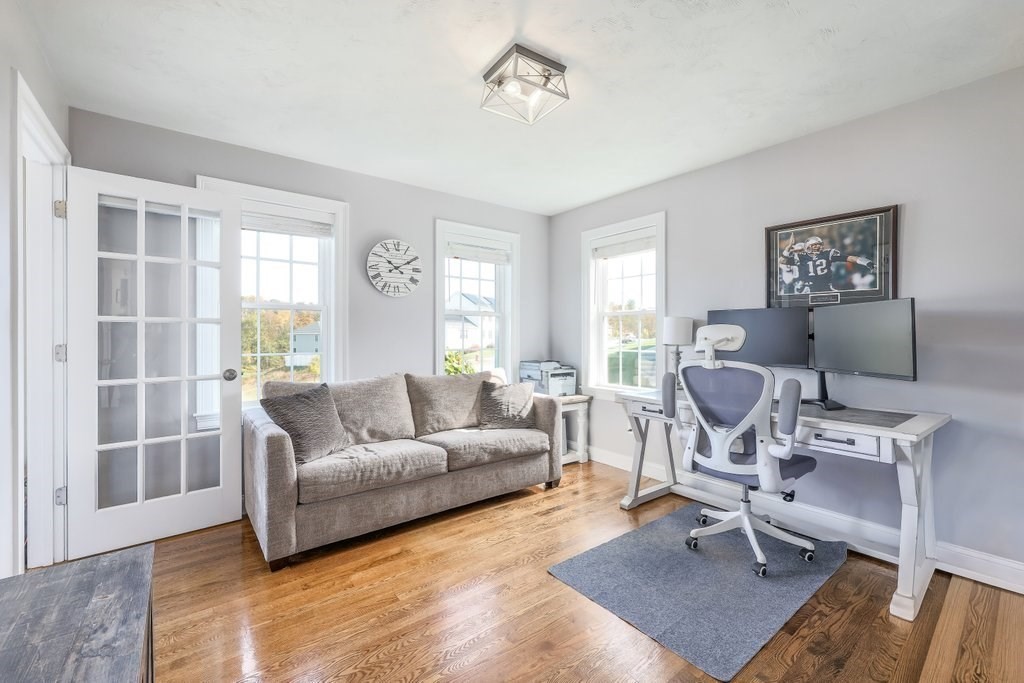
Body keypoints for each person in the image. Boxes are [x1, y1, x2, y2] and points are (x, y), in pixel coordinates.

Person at [779, 234, 876, 293]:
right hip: (808, 288)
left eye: (819, 245)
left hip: (826, 287)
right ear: (808, 246)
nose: (818, 247)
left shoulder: (827, 254)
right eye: (815, 245)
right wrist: (788, 248)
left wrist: (866, 262)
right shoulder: (801, 257)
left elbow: (849, 258)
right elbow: (782, 261)